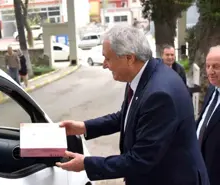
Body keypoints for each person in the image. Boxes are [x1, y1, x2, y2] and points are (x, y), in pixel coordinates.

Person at [56, 25, 209, 185]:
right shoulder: (143, 75)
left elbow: (141, 159)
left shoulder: (159, 95)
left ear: (129, 58)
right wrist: (83, 127)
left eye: (108, 58)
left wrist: (86, 164)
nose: (104, 65)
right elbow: (126, 116)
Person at [196, 45, 220, 185]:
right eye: (208, 66)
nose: (210, 71)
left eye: (216, 66)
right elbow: (204, 123)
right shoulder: (212, 90)